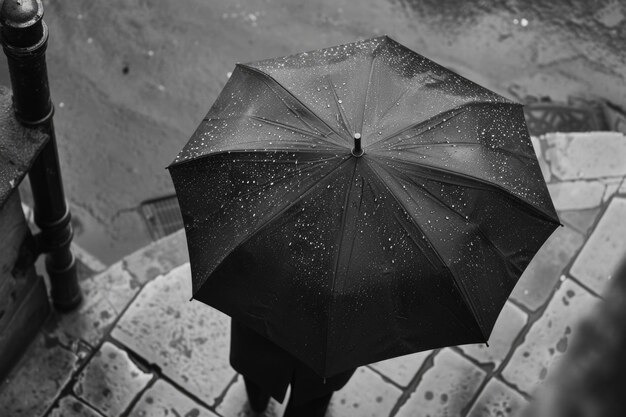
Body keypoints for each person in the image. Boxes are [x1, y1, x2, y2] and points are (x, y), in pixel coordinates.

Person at [230, 319, 356, 417]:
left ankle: (257, 406)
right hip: (333, 341)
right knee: (312, 398)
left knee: (257, 371)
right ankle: (257, 405)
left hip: (261, 323)